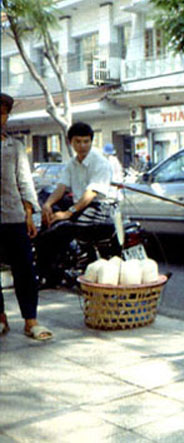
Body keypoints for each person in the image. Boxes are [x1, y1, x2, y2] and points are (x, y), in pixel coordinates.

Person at [36, 122, 116, 287]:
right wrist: (48, 204)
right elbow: (61, 186)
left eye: (86, 141)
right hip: (80, 207)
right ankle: (50, 273)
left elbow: (90, 194)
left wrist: (67, 213)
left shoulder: (100, 162)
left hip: (100, 208)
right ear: (71, 142)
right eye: (78, 141)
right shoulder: (72, 163)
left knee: (62, 228)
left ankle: (53, 275)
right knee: (47, 225)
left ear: (91, 141)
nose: (82, 145)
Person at [0, 92, 53, 340]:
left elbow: (25, 182)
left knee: (25, 271)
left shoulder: (16, 147)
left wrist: (29, 214)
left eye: (2, 112)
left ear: (7, 116)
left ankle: (30, 321)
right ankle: (0, 319)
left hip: (14, 217)